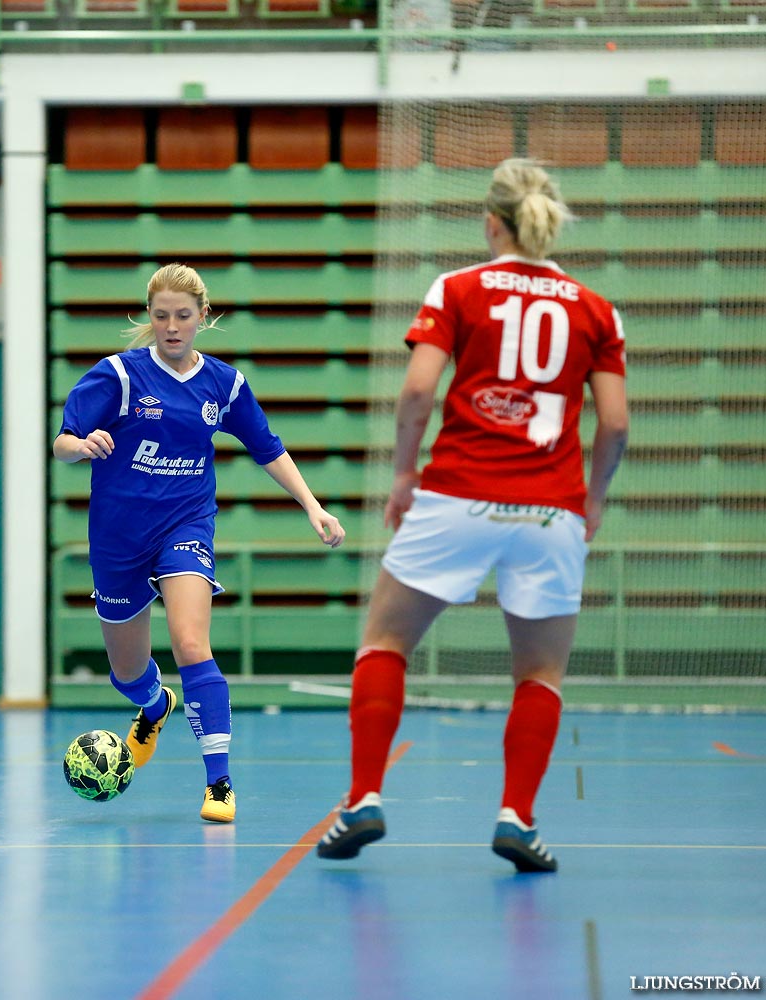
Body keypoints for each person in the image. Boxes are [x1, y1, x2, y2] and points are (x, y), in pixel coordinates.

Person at [315, 159, 628, 871]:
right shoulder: (596, 308)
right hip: (550, 510)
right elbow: (614, 425)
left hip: (457, 493)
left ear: (492, 223)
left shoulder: (458, 288)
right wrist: (594, 501)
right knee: (540, 673)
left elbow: (418, 391)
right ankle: (517, 816)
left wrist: (403, 474)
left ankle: (364, 797)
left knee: (385, 642)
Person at [54, 263, 345, 823]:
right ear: (149, 316)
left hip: (185, 527)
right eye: (160, 316)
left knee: (191, 643)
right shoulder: (116, 376)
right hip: (117, 539)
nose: (170, 326)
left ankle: (220, 783)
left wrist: (312, 505)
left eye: (182, 316)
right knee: (127, 672)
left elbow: (268, 447)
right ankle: (153, 704)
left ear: (203, 318)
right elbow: (62, 442)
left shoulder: (224, 384)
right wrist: (81, 444)